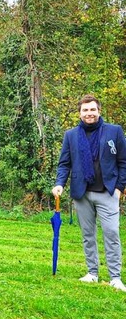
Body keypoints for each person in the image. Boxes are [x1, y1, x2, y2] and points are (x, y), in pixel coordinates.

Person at [52, 95, 126, 292]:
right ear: (80, 113)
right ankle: (92, 273)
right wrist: (60, 184)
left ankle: (115, 277)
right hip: (81, 193)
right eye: (85, 110)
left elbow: (123, 162)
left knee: (111, 233)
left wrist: (119, 188)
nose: (89, 113)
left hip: (107, 192)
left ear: (99, 111)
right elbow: (64, 164)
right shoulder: (71, 135)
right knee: (88, 235)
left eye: (92, 109)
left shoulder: (114, 131)